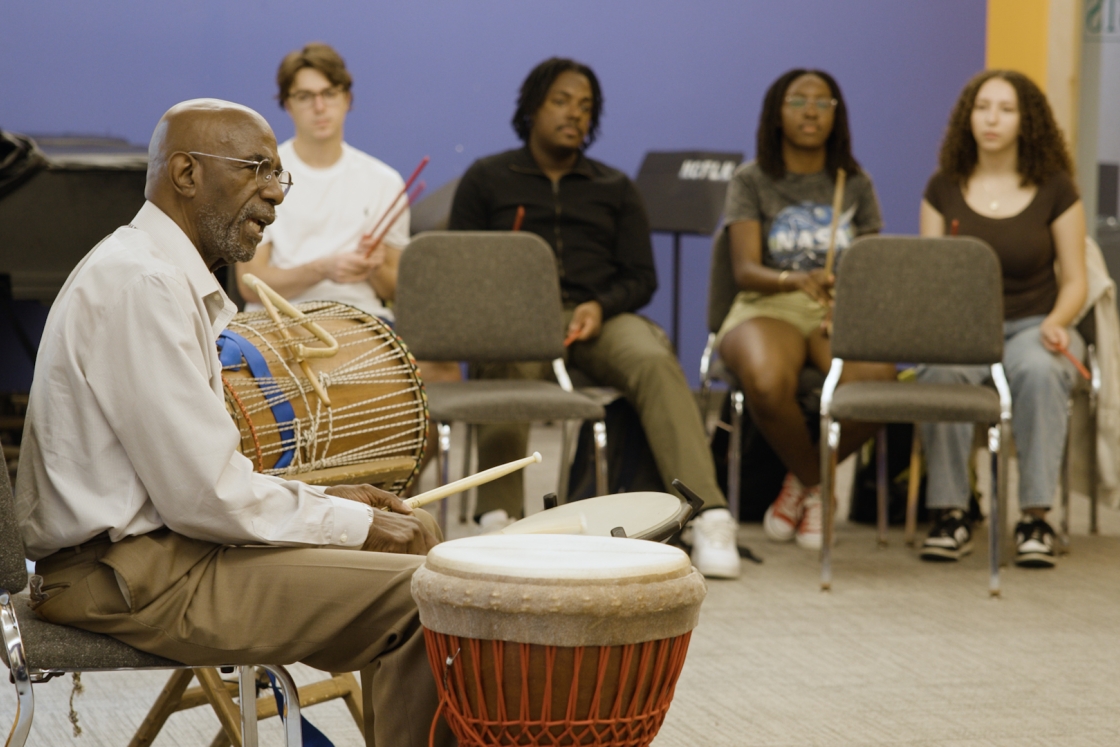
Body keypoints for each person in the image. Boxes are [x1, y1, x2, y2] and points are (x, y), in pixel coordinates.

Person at [14, 99, 453, 747]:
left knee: (425, 536)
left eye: (280, 175)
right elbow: (205, 496)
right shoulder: (143, 285)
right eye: (256, 169)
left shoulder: (156, 274)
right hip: (128, 573)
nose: (275, 193)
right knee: (427, 600)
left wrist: (330, 499)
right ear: (185, 173)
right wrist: (355, 525)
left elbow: (200, 484)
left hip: (163, 551)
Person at [448, 57, 740, 579]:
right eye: (562, 101)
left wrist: (601, 306)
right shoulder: (487, 179)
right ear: (534, 107)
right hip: (518, 320)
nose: (575, 115)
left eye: (586, 107)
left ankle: (709, 513)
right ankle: (500, 517)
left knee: (652, 357)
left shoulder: (614, 186)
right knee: (506, 360)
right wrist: (514, 313)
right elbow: (462, 268)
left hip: (601, 316)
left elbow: (641, 277)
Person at [717, 69, 895, 550]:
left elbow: (872, 262)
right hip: (767, 302)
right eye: (798, 101)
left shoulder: (853, 182)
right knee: (768, 379)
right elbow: (745, 268)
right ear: (777, 112)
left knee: (880, 381)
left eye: (823, 102)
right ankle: (819, 488)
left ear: (837, 115)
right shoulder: (752, 179)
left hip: (833, 308)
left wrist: (850, 296)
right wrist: (795, 278)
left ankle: (802, 484)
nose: (812, 110)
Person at [917, 70, 1087, 568]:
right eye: (982, 107)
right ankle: (952, 513)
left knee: (1039, 370)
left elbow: (1075, 278)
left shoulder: (1057, 188)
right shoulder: (942, 187)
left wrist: (1058, 320)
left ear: (1026, 121)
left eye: (1006, 109)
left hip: (1036, 322)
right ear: (967, 118)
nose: (992, 119)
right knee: (938, 374)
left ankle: (1036, 517)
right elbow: (931, 273)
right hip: (964, 330)